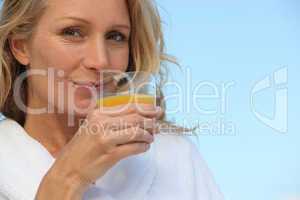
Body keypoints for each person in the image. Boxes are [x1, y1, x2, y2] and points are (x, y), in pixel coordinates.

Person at [0, 0, 224, 199]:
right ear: (21, 46)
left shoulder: (174, 157)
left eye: (116, 36)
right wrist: (69, 177)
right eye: (73, 32)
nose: (100, 60)